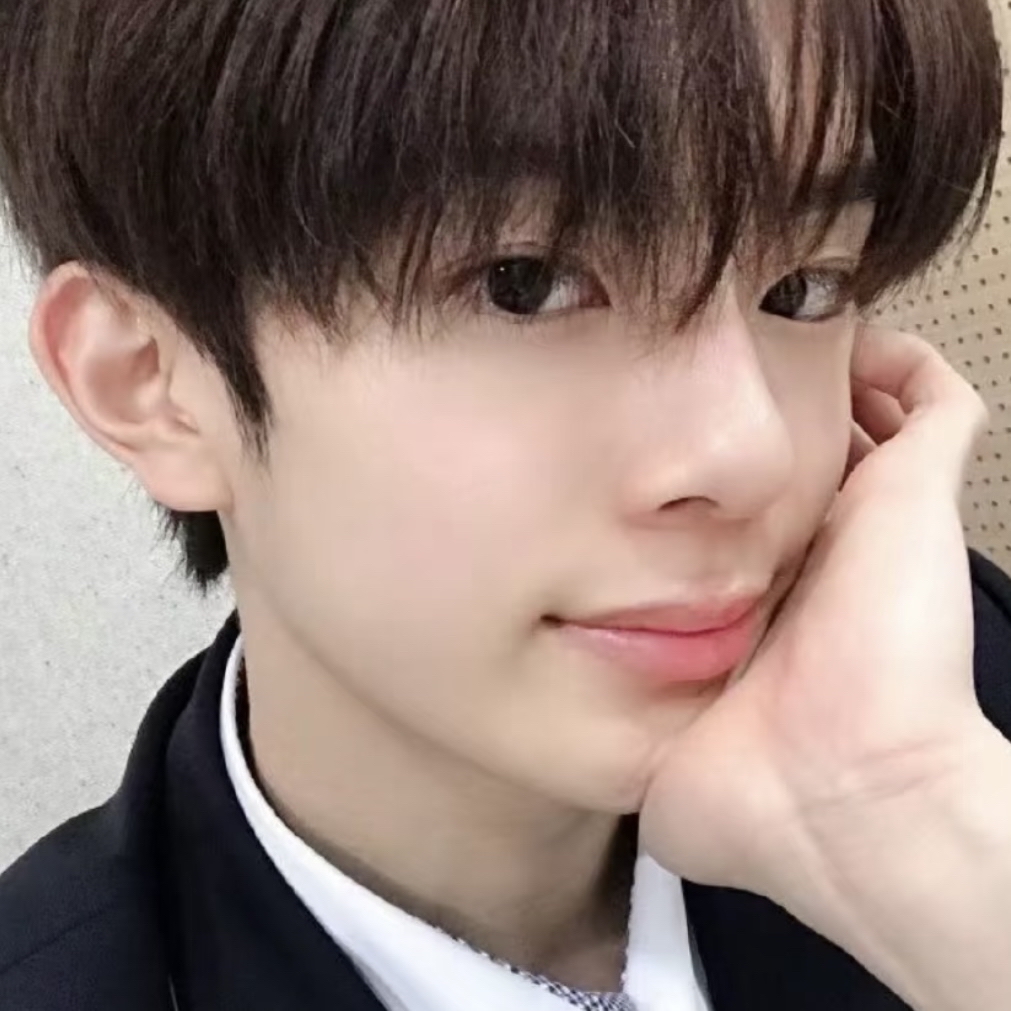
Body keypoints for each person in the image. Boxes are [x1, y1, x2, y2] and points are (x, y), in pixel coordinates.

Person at [1, 0, 1009, 1008]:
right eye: (524, 284)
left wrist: (913, 835)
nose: (753, 452)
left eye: (805, 287)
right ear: (150, 383)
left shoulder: (948, 695)